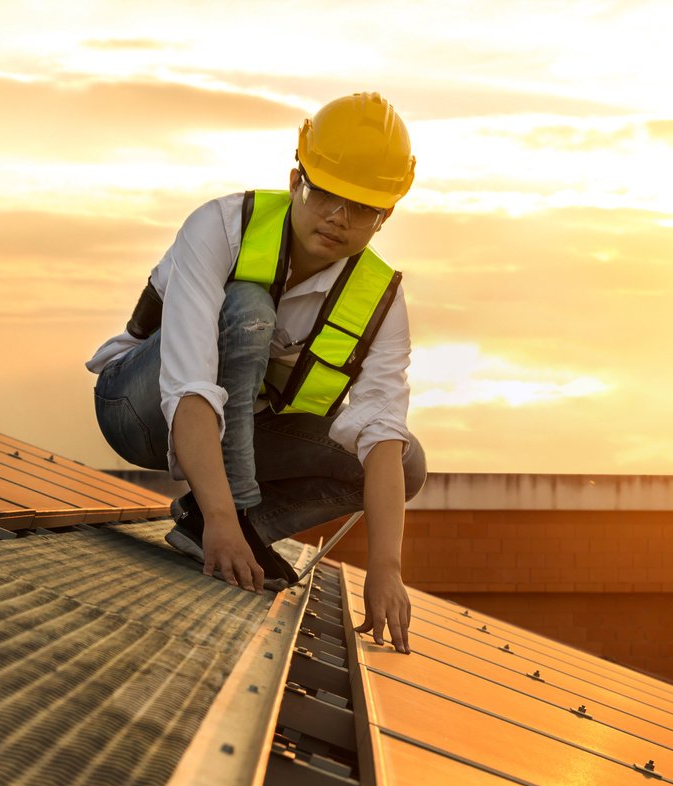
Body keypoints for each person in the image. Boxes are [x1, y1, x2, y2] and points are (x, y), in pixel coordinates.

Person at [87, 92, 424, 652]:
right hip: (140, 409)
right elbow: (189, 384)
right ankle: (231, 518)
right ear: (297, 180)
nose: (339, 218)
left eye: (362, 207)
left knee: (405, 461)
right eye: (325, 194)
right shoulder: (222, 227)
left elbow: (382, 434)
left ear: (385, 216)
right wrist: (228, 513)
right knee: (246, 309)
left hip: (238, 436)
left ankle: (207, 527)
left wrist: (387, 566)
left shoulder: (382, 301)